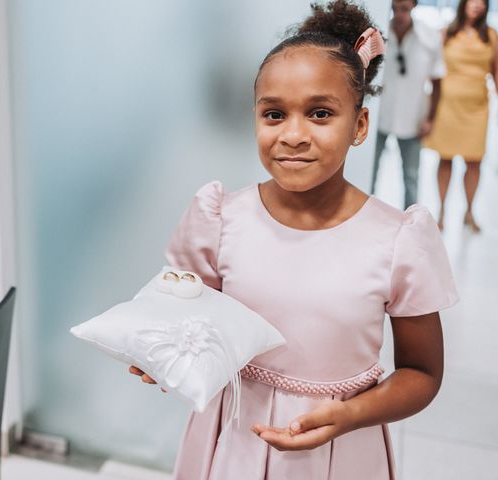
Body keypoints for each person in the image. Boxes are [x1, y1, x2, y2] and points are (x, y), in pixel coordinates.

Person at [130, 1, 458, 478]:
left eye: (320, 113)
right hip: (234, 437)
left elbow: (423, 373)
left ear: (360, 126)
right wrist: (162, 353)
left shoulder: (398, 240)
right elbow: (187, 319)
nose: (294, 135)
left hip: (341, 447)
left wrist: (349, 415)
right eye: (274, 114)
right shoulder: (220, 217)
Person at [423, 0, 498, 232]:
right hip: (447, 105)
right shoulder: (447, 33)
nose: (478, 6)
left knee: (474, 161)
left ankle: (469, 211)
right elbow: (432, 68)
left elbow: (496, 73)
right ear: (464, 4)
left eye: (483, 2)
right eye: (474, 1)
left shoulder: (491, 36)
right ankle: (441, 212)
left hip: (477, 107)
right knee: (445, 159)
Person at [371, 0, 445, 209]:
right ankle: (363, 220)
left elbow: (438, 81)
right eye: (395, 8)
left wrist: (430, 119)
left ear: (414, 6)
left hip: (413, 119)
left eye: (404, 9)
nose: (399, 14)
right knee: (369, 173)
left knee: (411, 178)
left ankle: (410, 224)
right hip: (379, 117)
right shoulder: (377, 35)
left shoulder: (429, 37)